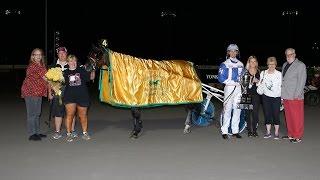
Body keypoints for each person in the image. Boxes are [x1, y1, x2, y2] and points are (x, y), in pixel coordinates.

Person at [63, 54, 95, 142]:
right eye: (71, 61)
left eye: (74, 61)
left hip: (82, 96)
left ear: (76, 62)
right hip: (69, 96)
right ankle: (68, 134)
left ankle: (85, 132)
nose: (73, 62)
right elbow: (60, 84)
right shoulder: (64, 72)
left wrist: (93, 69)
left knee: (83, 115)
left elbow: (91, 77)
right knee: (70, 115)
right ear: (67, 62)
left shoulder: (81, 70)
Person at [49, 47, 77, 139]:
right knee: (58, 112)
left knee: (71, 112)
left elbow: (77, 77)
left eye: (63, 53)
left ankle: (72, 130)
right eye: (60, 53)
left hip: (70, 92)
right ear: (57, 54)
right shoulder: (53, 66)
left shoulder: (72, 64)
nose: (62, 55)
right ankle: (57, 131)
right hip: (58, 93)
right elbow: (49, 81)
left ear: (66, 54)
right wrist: (50, 92)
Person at [21, 48, 48, 141]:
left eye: (40, 54)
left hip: (38, 92)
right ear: (32, 56)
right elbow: (45, 77)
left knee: (37, 113)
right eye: (36, 55)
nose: (38, 56)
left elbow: (45, 77)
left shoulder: (41, 65)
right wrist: (56, 81)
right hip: (30, 92)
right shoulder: (33, 66)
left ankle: (36, 132)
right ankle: (32, 134)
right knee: (32, 114)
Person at [218, 44, 244, 139]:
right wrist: (233, 82)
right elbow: (221, 78)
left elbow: (243, 77)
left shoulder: (241, 64)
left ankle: (235, 131)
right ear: (228, 52)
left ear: (237, 52)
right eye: (231, 51)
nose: (233, 53)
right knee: (227, 109)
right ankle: (224, 131)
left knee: (237, 109)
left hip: (239, 89)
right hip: (229, 88)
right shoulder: (224, 64)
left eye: (235, 51)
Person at [281, 48, 307, 143]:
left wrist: (296, 95)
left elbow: (301, 81)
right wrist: (282, 95)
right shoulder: (285, 64)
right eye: (287, 54)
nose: (289, 56)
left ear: (295, 54)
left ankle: (298, 136)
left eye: (291, 54)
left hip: (295, 96)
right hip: (286, 95)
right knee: (288, 117)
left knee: (297, 117)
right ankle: (291, 134)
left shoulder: (300, 65)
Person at [257, 57, 282, 139]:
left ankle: (276, 132)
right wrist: (258, 83)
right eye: (270, 64)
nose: (271, 66)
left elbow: (281, 86)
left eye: (273, 64)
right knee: (267, 114)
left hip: (276, 97)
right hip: (266, 97)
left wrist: (282, 99)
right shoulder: (263, 73)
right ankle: (268, 132)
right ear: (267, 64)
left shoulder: (279, 74)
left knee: (276, 115)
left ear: (275, 64)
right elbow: (260, 84)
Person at [244, 55, 261, 137]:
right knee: (247, 113)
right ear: (249, 62)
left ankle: (254, 130)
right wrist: (250, 81)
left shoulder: (259, 71)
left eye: (254, 61)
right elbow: (242, 83)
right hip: (246, 94)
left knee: (255, 113)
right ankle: (249, 130)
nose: (253, 63)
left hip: (256, 95)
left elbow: (262, 84)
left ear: (256, 62)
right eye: (251, 61)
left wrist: (258, 82)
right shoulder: (245, 71)